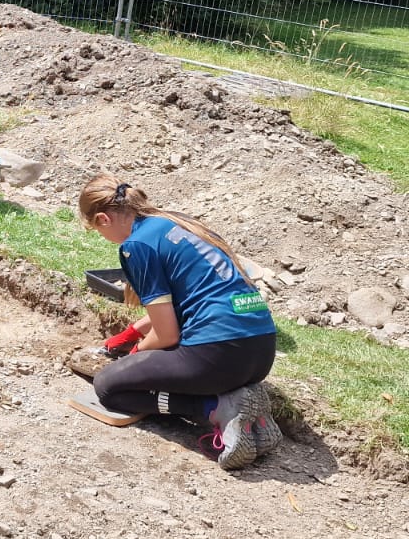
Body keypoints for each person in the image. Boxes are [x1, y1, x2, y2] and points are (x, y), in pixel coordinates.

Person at [78, 174, 282, 471]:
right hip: (260, 351)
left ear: (103, 218)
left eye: (96, 229)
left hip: (217, 354)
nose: (102, 235)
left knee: (110, 386)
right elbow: (183, 303)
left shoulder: (137, 246)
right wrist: (131, 333)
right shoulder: (176, 223)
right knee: (139, 369)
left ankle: (214, 409)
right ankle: (243, 401)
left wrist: (134, 360)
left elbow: (167, 334)